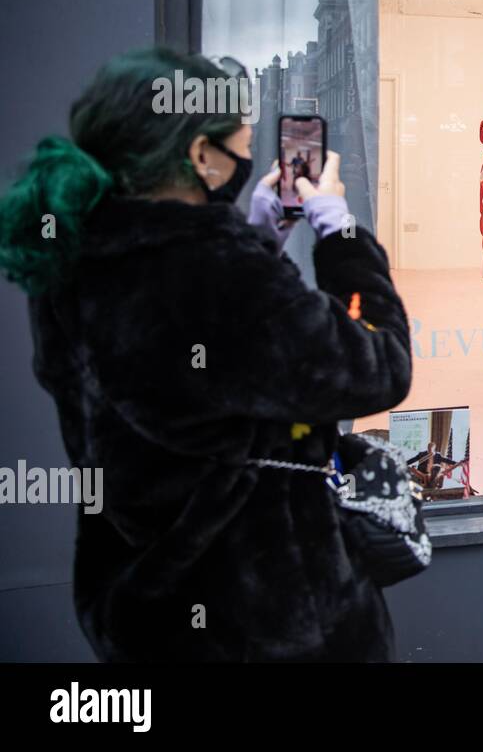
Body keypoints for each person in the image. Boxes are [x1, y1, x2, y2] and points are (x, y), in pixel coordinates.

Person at [0, 48, 413, 661]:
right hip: (268, 625)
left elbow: (210, 376)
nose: (249, 159)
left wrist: (258, 240)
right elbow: (379, 366)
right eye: (241, 144)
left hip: (146, 612)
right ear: (200, 156)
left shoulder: (74, 258)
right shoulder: (219, 273)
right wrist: (341, 233)